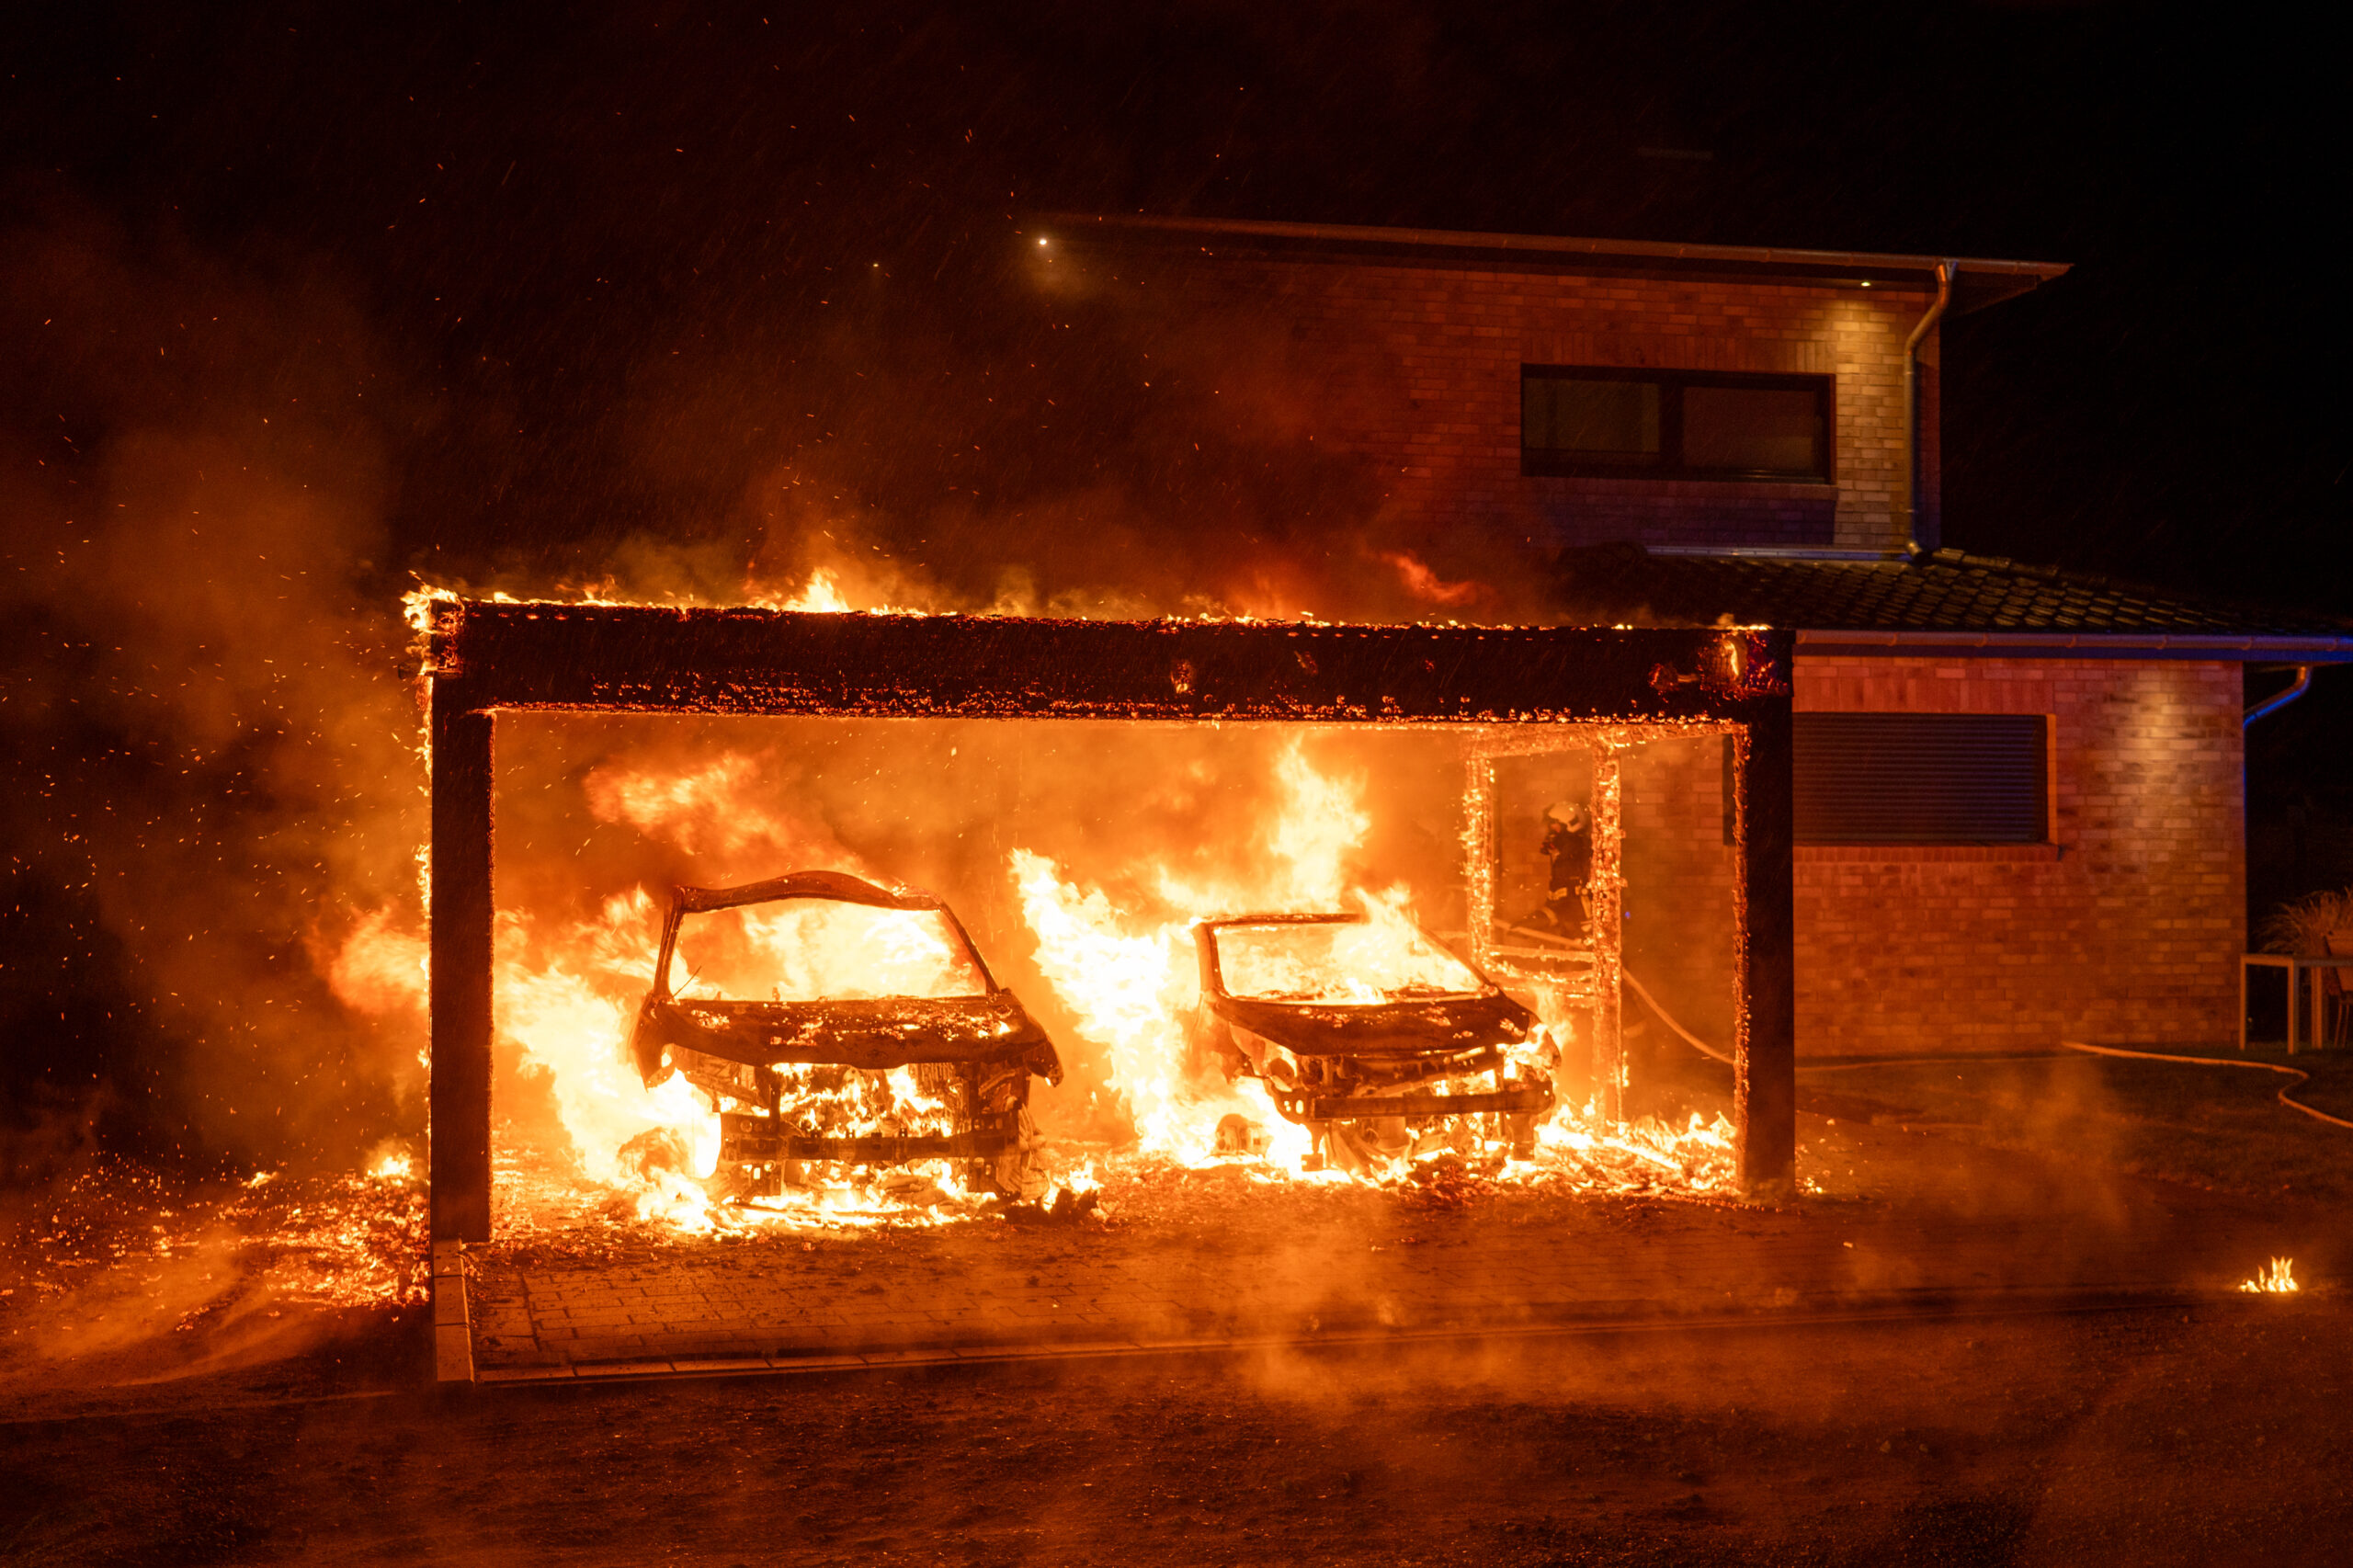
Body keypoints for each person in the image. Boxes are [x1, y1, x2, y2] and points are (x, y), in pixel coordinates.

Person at [1538, 800, 1591, 935]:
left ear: (1569, 824)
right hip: (1571, 924)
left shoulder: (1575, 850)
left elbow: (1568, 903)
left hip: (1581, 925)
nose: (1551, 831)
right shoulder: (1565, 854)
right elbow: (1556, 900)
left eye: (1554, 825)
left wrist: (1537, 921)